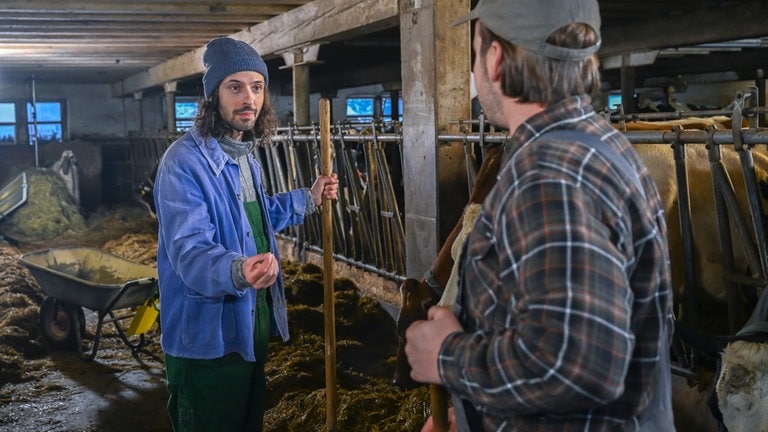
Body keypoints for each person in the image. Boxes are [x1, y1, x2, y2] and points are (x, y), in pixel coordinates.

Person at [404, 1, 675, 431]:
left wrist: (447, 357)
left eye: (475, 52)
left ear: (494, 60)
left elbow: (579, 363)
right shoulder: (598, 145)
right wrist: (479, 413)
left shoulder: (549, 176)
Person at [153, 36, 338, 431]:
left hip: (249, 327)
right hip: (206, 338)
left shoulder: (244, 156)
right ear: (213, 97)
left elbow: (257, 217)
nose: (248, 99)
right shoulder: (182, 163)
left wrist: (309, 198)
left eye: (256, 87)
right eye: (234, 87)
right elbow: (190, 250)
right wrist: (239, 270)